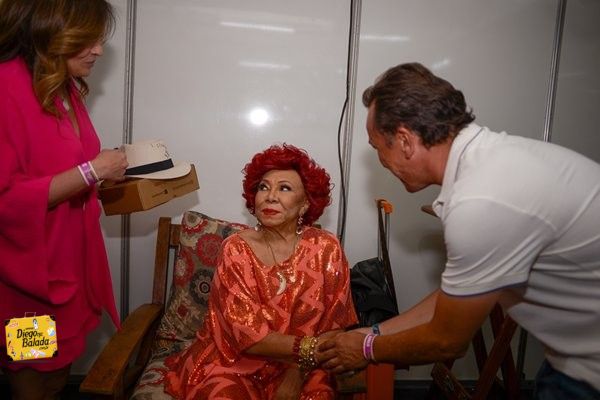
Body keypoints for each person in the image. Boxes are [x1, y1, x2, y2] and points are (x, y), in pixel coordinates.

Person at [320, 62, 600, 399]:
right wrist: (372, 332)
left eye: (378, 147)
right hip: (572, 356)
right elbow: (460, 294)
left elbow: (446, 341)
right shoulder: (490, 161)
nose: (380, 160)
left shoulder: (480, 201)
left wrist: (366, 349)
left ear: (405, 141)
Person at [0, 1, 128, 399]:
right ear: (50, 31)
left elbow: (64, 168)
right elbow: (6, 198)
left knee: (58, 374)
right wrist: (93, 171)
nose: (99, 50)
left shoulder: (62, 86)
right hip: (30, 280)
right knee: (33, 378)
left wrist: (102, 172)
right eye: (88, 39)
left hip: (72, 265)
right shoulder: (6, 87)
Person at [164, 144, 357, 399]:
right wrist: (309, 349)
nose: (270, 196)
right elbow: (247, 335)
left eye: (284, 188)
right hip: (232, 362)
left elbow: (335, 326)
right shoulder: (235, 249)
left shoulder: (326, 248)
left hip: (306, 365)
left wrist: (296, 371)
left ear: (305, 204)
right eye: (263, 187)